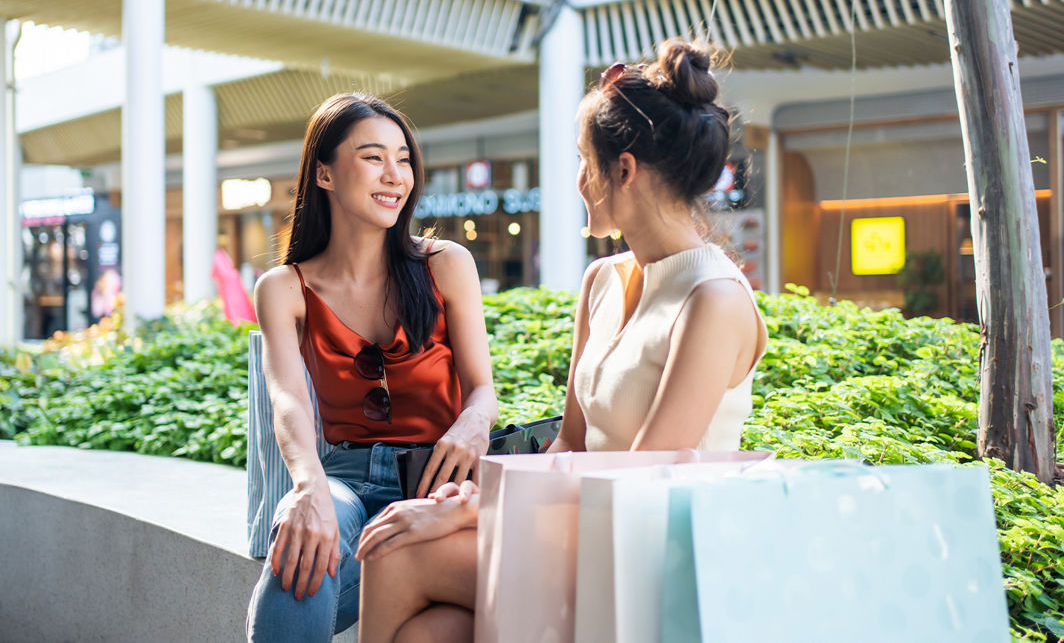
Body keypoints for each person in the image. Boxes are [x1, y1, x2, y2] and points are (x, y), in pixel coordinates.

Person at [353, 39, 768, 643]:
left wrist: (466, 512)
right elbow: (570, 444)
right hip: (581, 534)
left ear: (622, 169)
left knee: (394, 555)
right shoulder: (601, 280)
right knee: (431, 631)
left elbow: (638, 484)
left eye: (583, 160)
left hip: (649, 561)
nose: (577, 180)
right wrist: (467, 500)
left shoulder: (715, 298)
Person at [245, 93, 499, 642]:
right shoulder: (283, 289)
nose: (395, 175)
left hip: (435, 481)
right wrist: (308, 486)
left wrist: (472, 425)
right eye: (372, 156)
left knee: (311, 557)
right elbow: (286, 400)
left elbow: (483, 390)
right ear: (325, 174)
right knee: (310, 535)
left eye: (403, 158)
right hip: (344, 479)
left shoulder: (447, 264)